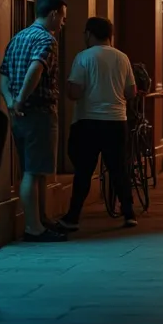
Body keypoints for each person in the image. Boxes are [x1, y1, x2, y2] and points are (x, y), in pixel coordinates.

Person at [55, 17, 138, 233]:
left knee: (83, 171)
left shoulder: (83, 57)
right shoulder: (122, 58)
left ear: (89, 33)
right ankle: (129, 213)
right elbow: (131, 92)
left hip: (88, 121)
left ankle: (73, 217)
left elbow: (74, 92)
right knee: (119, 169)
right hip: (116, 121)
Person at [0, 0, 69, 243]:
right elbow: (35, 70)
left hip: (19, 115)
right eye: (62, 18)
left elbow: (3, 75)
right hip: (38, 112)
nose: (62, 23)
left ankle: (41, 219)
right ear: (52, 14)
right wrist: (21, 99)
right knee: (32, 170)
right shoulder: (46, 41)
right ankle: (34, 228)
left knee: (34, 169)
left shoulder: (18, 37)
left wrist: (10, 102)